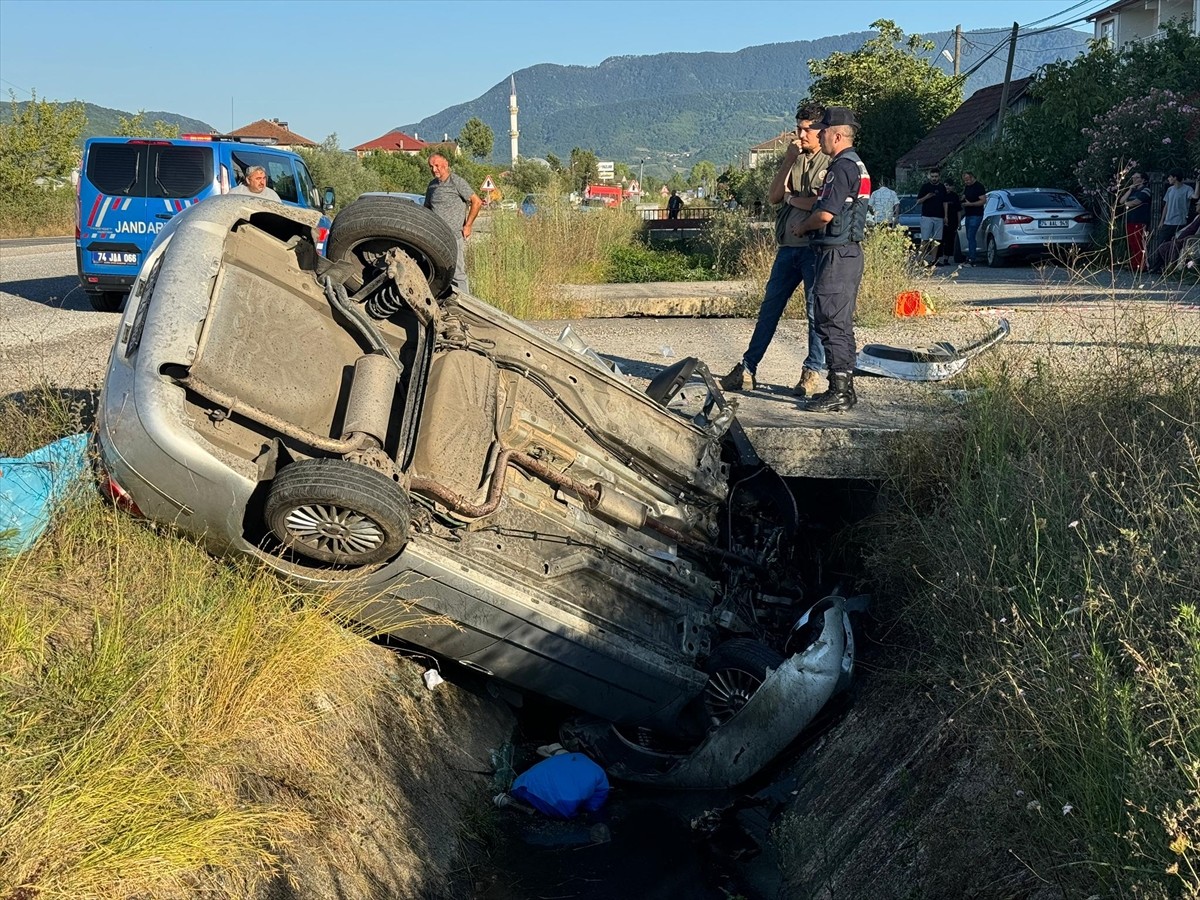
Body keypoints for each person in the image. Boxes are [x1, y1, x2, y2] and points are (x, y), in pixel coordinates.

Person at [719, 104, 831, 397]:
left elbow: (823, 205)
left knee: (813, 311)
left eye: (807, 129)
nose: (800, 134)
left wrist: (794, 200)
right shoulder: (794, 157)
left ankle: (812, 371)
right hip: (787, 248)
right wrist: (788, 161)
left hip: (814, 247)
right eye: (798, 128)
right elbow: (773, 196)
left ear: (821, 131)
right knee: (769, 309)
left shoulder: (830, 162)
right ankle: (747, 368)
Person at [789, 106, 870, 413]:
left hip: (836, 254)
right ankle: (844, 386)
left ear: (837, 135)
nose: (818, 135)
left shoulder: (841, 167)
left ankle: (839, 391)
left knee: (830, 320)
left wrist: (802, 226)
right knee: (840, 321)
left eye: (822, 131)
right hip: (848, 253)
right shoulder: (857, 164)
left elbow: (825, 213)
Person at [425, 153, 483, 294]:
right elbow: (426, 208)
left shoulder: (456, 182)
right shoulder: (432, 186)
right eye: (431, 166)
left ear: (446, 165)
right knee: (438, 272)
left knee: (457, 273)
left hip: (454, 235)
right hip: (437, 237)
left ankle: (465, 306)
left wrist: (468, 225)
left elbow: (477, 202)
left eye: (437, 166)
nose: (434, 169)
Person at [1152, 191, 1200, 274]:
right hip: (1181, 238)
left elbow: (1197, 233)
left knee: (1172, 246)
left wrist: (1183, 239)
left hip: (1188, 241)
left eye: (1198, 204)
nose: (1196, 205)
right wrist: (1177, 235)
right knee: (1163, 246)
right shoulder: (1197, 216)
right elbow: (1187, 228)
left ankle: (1172, 268)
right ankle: (1167, 267)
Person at [1120, 171, 1152, 272]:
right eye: (1133, 177)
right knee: (1132, 242)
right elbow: (1121, 201)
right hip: (1130, 220)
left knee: (1139, 242)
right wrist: (1129, 190)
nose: (1134, 179)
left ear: (1143, 179)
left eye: (1136, 177)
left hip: (1140, 220)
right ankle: (1134, 265)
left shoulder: (1145, 190)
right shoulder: (1133, 191)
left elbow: (1137, 202)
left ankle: (1143, 265)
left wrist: (1127, 204)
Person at [915, 168, 947, 266]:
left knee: (936, 240)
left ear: (939, 177)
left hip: (939, 217)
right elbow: (918, 201)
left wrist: (946, 216)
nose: (934, 178)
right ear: (929, 176)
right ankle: (919, 259)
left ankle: (934, 260)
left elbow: (945, 202)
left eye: (936, 177)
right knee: (925, 239)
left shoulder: (942, 187)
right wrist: (926, 197)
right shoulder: (925, 187)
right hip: (927, 216)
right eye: (932, 177)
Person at [1158, 169, 1192, 245]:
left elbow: (1195, 196)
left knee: (1176, 245)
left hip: (1180, 222)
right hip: (1168, 222)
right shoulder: (1170, 189)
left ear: (1175, 178)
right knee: (1161, 244)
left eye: (1170, 177)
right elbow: (1166, 206)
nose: (1168, 179)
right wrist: (1162, 221)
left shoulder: (1187, 189)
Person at [960, 172, 987, 265]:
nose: (966, 182)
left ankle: (972, 259)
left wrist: (970, 204)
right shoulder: (967, 187)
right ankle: (970, 256)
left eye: (967, 180)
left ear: (972, 178)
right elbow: (964, 196)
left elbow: (983, 200)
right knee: (968, 236)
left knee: (971, 236)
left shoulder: (979, 187)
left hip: (976, 214)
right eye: (965, 180)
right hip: (968, 214)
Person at [938, 185, 961, 266]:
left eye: (949, 186)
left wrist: (959, 222)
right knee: (939, 239)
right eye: (946, 186)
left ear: (952, 187)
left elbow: (958, 210)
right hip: (940, 220)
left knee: (949, 240)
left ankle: (946, 259)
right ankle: (937, 258)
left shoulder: (955, 196)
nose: (947, 188)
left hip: (952, 221)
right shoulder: (940, 195)